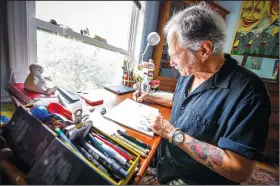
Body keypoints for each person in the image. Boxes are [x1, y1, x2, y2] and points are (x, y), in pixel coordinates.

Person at [132, 2, 271, 185]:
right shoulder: (190, 71)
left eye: (175, 55)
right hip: (167, 164)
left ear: (204, 50)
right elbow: (184, 102)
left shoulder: (249, 93)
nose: (172, 63)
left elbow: (240, 170)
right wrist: (150, 96)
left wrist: (172, 133)